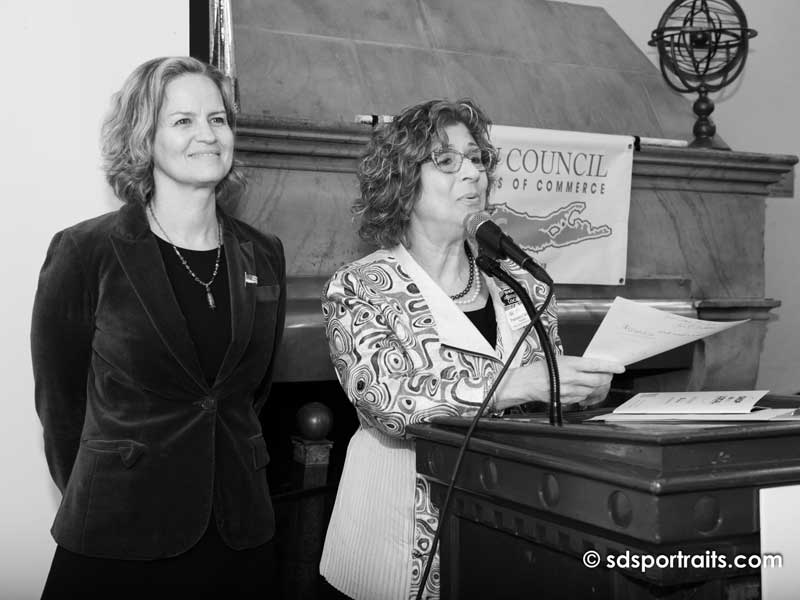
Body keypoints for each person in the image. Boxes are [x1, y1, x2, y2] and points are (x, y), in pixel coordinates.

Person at [318, 99, 624, 600]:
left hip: (506, 529)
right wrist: (518, 383)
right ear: (402, 181)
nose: (472, 173)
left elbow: (541, 401)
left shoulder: (519, 287)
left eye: (477, 157)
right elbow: (392, 407)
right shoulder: (361, 287)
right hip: (396, 541)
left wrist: (581, 389)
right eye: (446, 160)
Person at [31, 56, 286, 597]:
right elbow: (60, 407)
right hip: (120, 537)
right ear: (145, 138)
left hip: (239, 533)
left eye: (219, 120)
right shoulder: (85, 251)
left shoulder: (263, 254)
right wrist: (112, 489)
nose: (208, 135)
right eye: (183, 121)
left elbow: (248, 394)